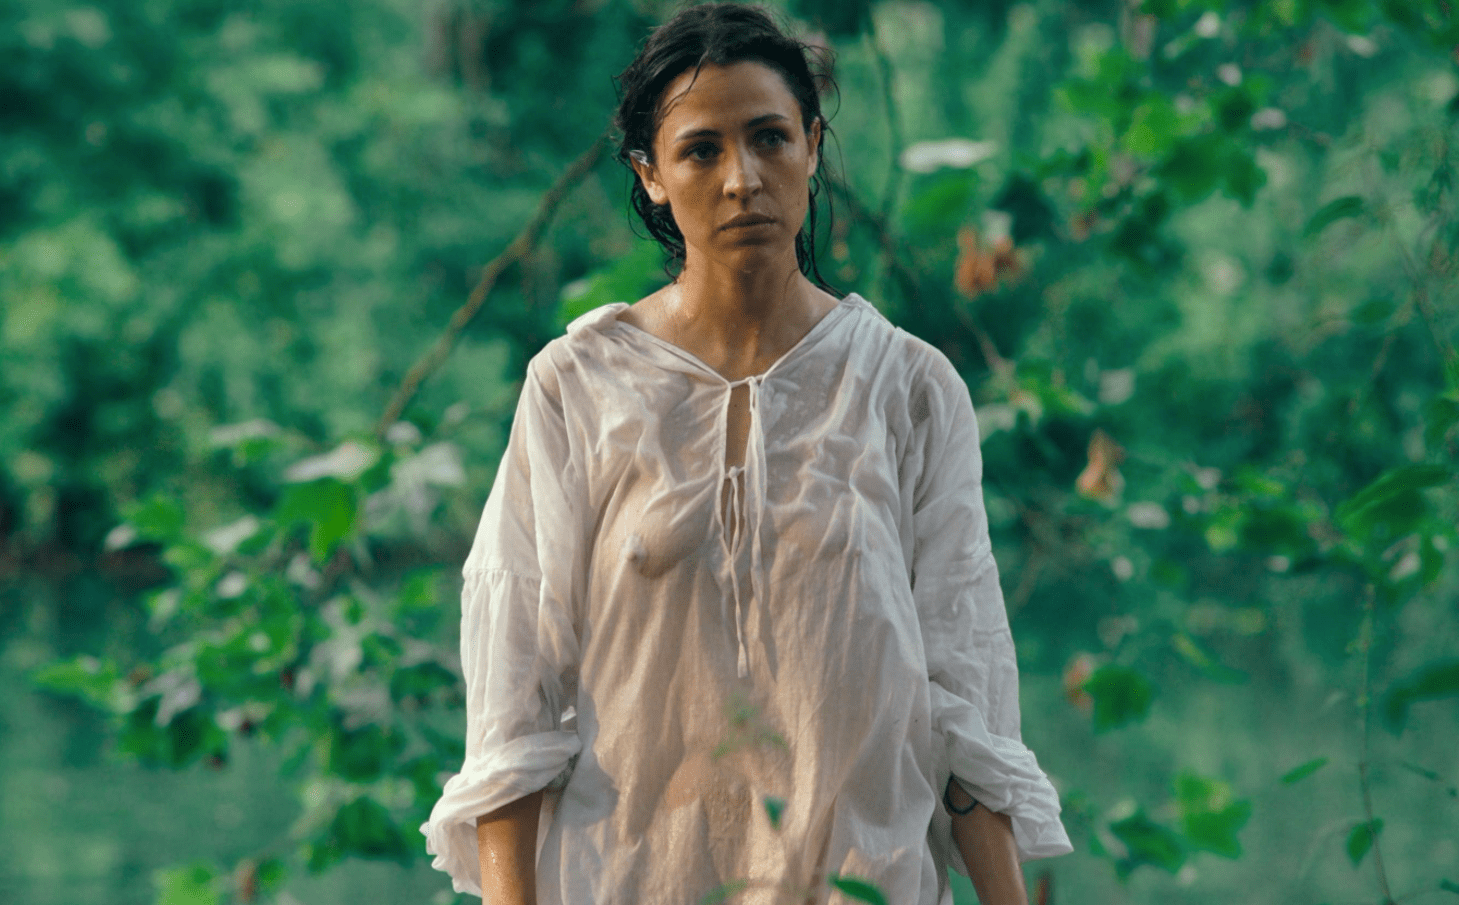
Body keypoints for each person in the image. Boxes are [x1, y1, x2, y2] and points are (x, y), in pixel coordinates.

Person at [421, 4, 1072, 903]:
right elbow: (512, 710)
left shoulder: (908, 389)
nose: (742, 178)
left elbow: (966, 703)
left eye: (769, 138)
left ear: (811, 145)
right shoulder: (578, 388)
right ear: (650, 176)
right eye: (700, 150)